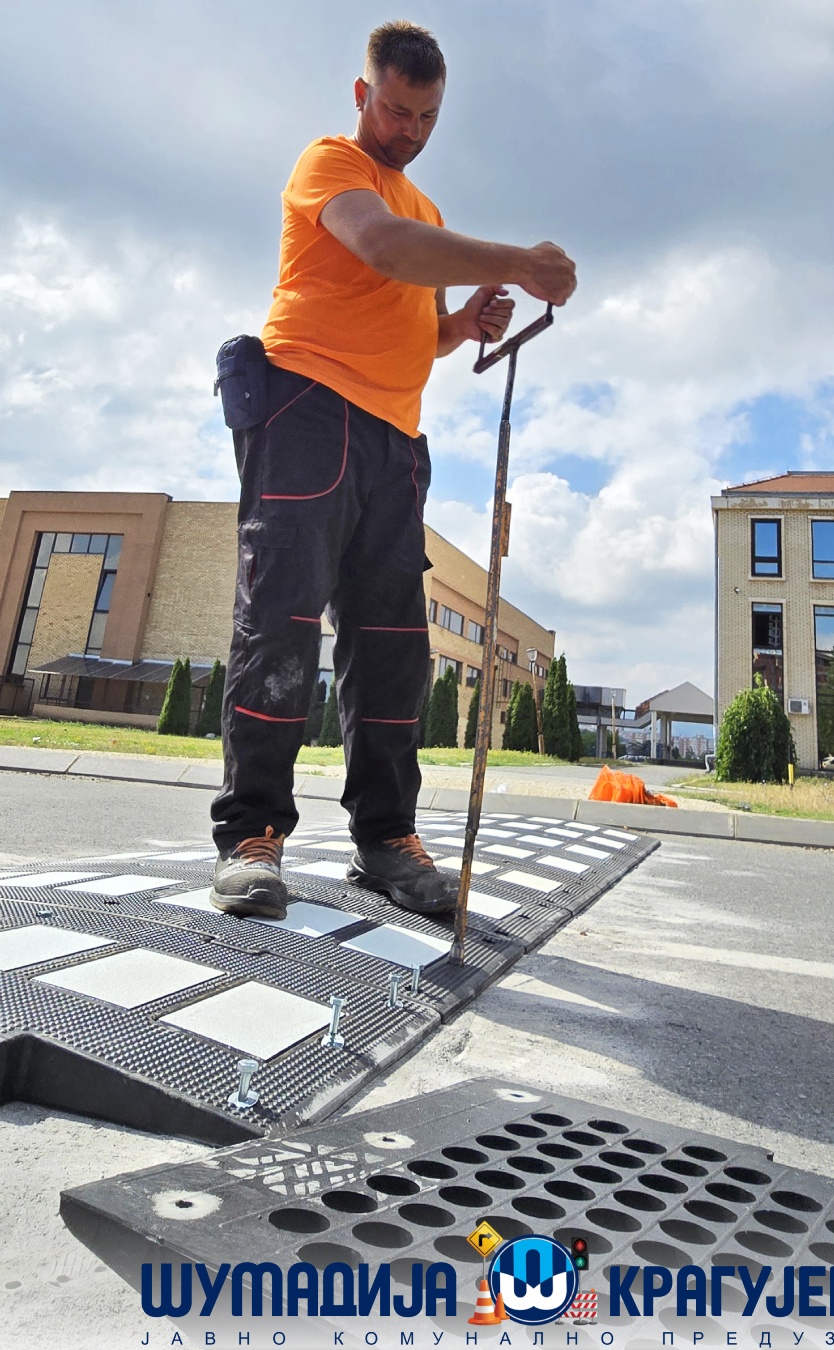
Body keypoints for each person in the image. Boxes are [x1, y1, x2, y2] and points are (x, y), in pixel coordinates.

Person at [209, 21, 576, 922]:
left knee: (393, 646)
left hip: (394, 438)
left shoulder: (429, 212)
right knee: (281, 621)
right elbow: (381, 249)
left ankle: (385, 840)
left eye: (427, 117)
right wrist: (520, 262)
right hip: (305, 407)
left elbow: (424, 329)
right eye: (397, 110)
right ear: (362, 93)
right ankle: (252, 837)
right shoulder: (331, 164)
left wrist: (468, 325)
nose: (410, 130)